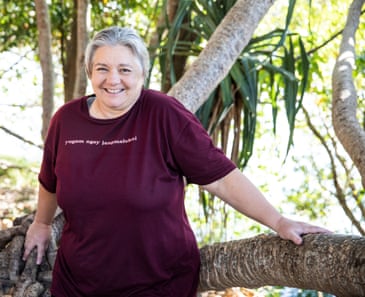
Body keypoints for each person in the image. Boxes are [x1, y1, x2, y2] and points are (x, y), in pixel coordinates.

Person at [22, 26, 330, 297]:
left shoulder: (164, 114)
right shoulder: (66, 120)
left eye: (125, 70)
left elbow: (221, 177)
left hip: (158, 283)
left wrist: (277, 220)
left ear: (143, 74)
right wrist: (41, 223)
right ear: (90, 72)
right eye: (102, 68)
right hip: (78, 283)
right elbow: (50, 180)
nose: (112, 79)